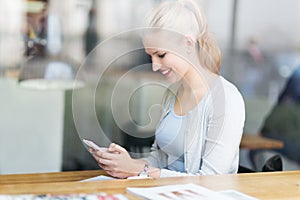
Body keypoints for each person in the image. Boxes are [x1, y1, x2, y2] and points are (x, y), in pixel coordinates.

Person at [89, 0, 245, 178]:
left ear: (188, 43)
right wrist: (128, 163)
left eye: (161, 55)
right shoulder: (172, 93)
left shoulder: (226, 99)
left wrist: (140, 170)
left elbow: (212, 180)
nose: (155, 66)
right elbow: (160, 160)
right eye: (151, 56)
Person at [250, 66, 300, 170]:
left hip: (295, 143)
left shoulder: (296, 78)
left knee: (257, 146)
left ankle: (268, 182)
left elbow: (282, 108)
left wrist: (263, 131)